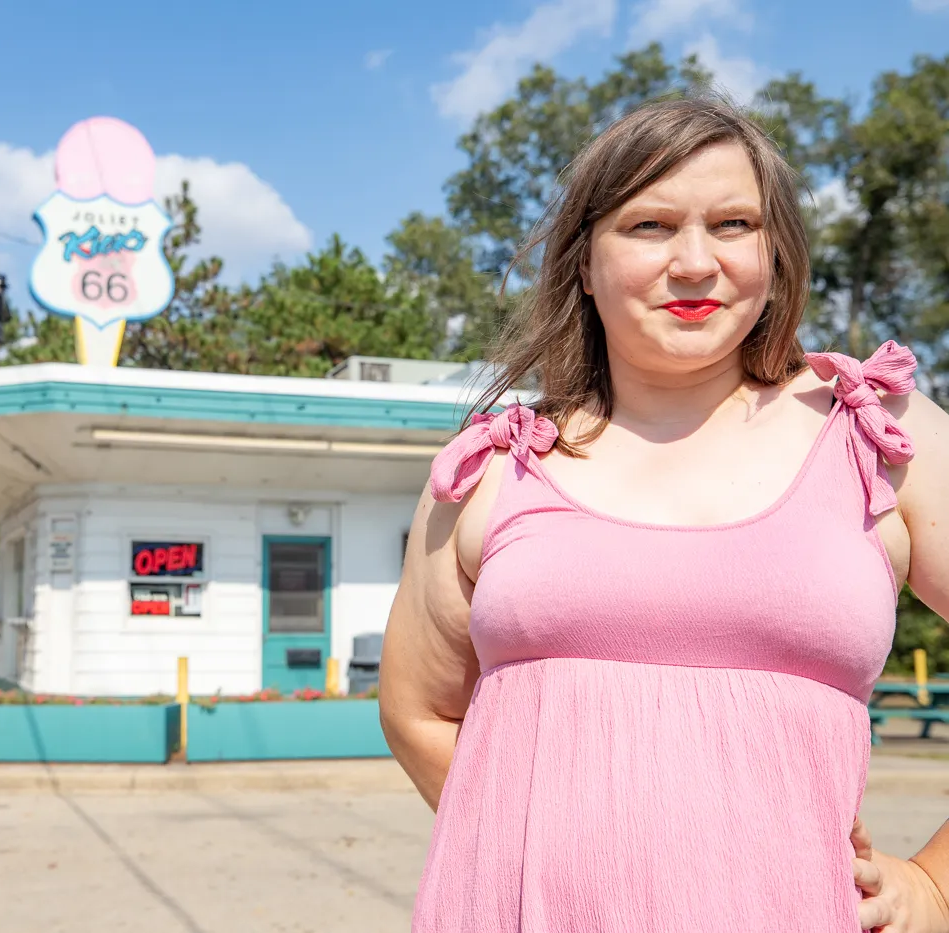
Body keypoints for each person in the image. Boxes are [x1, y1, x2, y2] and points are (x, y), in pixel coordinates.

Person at [380, 95, 949, 931]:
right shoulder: (495, 463)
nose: (694, 262)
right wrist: (522, 861)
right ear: (583, 259)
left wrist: (935, 885)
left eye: (733, 224)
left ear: (777, 250)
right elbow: (418, 711)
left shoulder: (883, 431)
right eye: (649, 225)